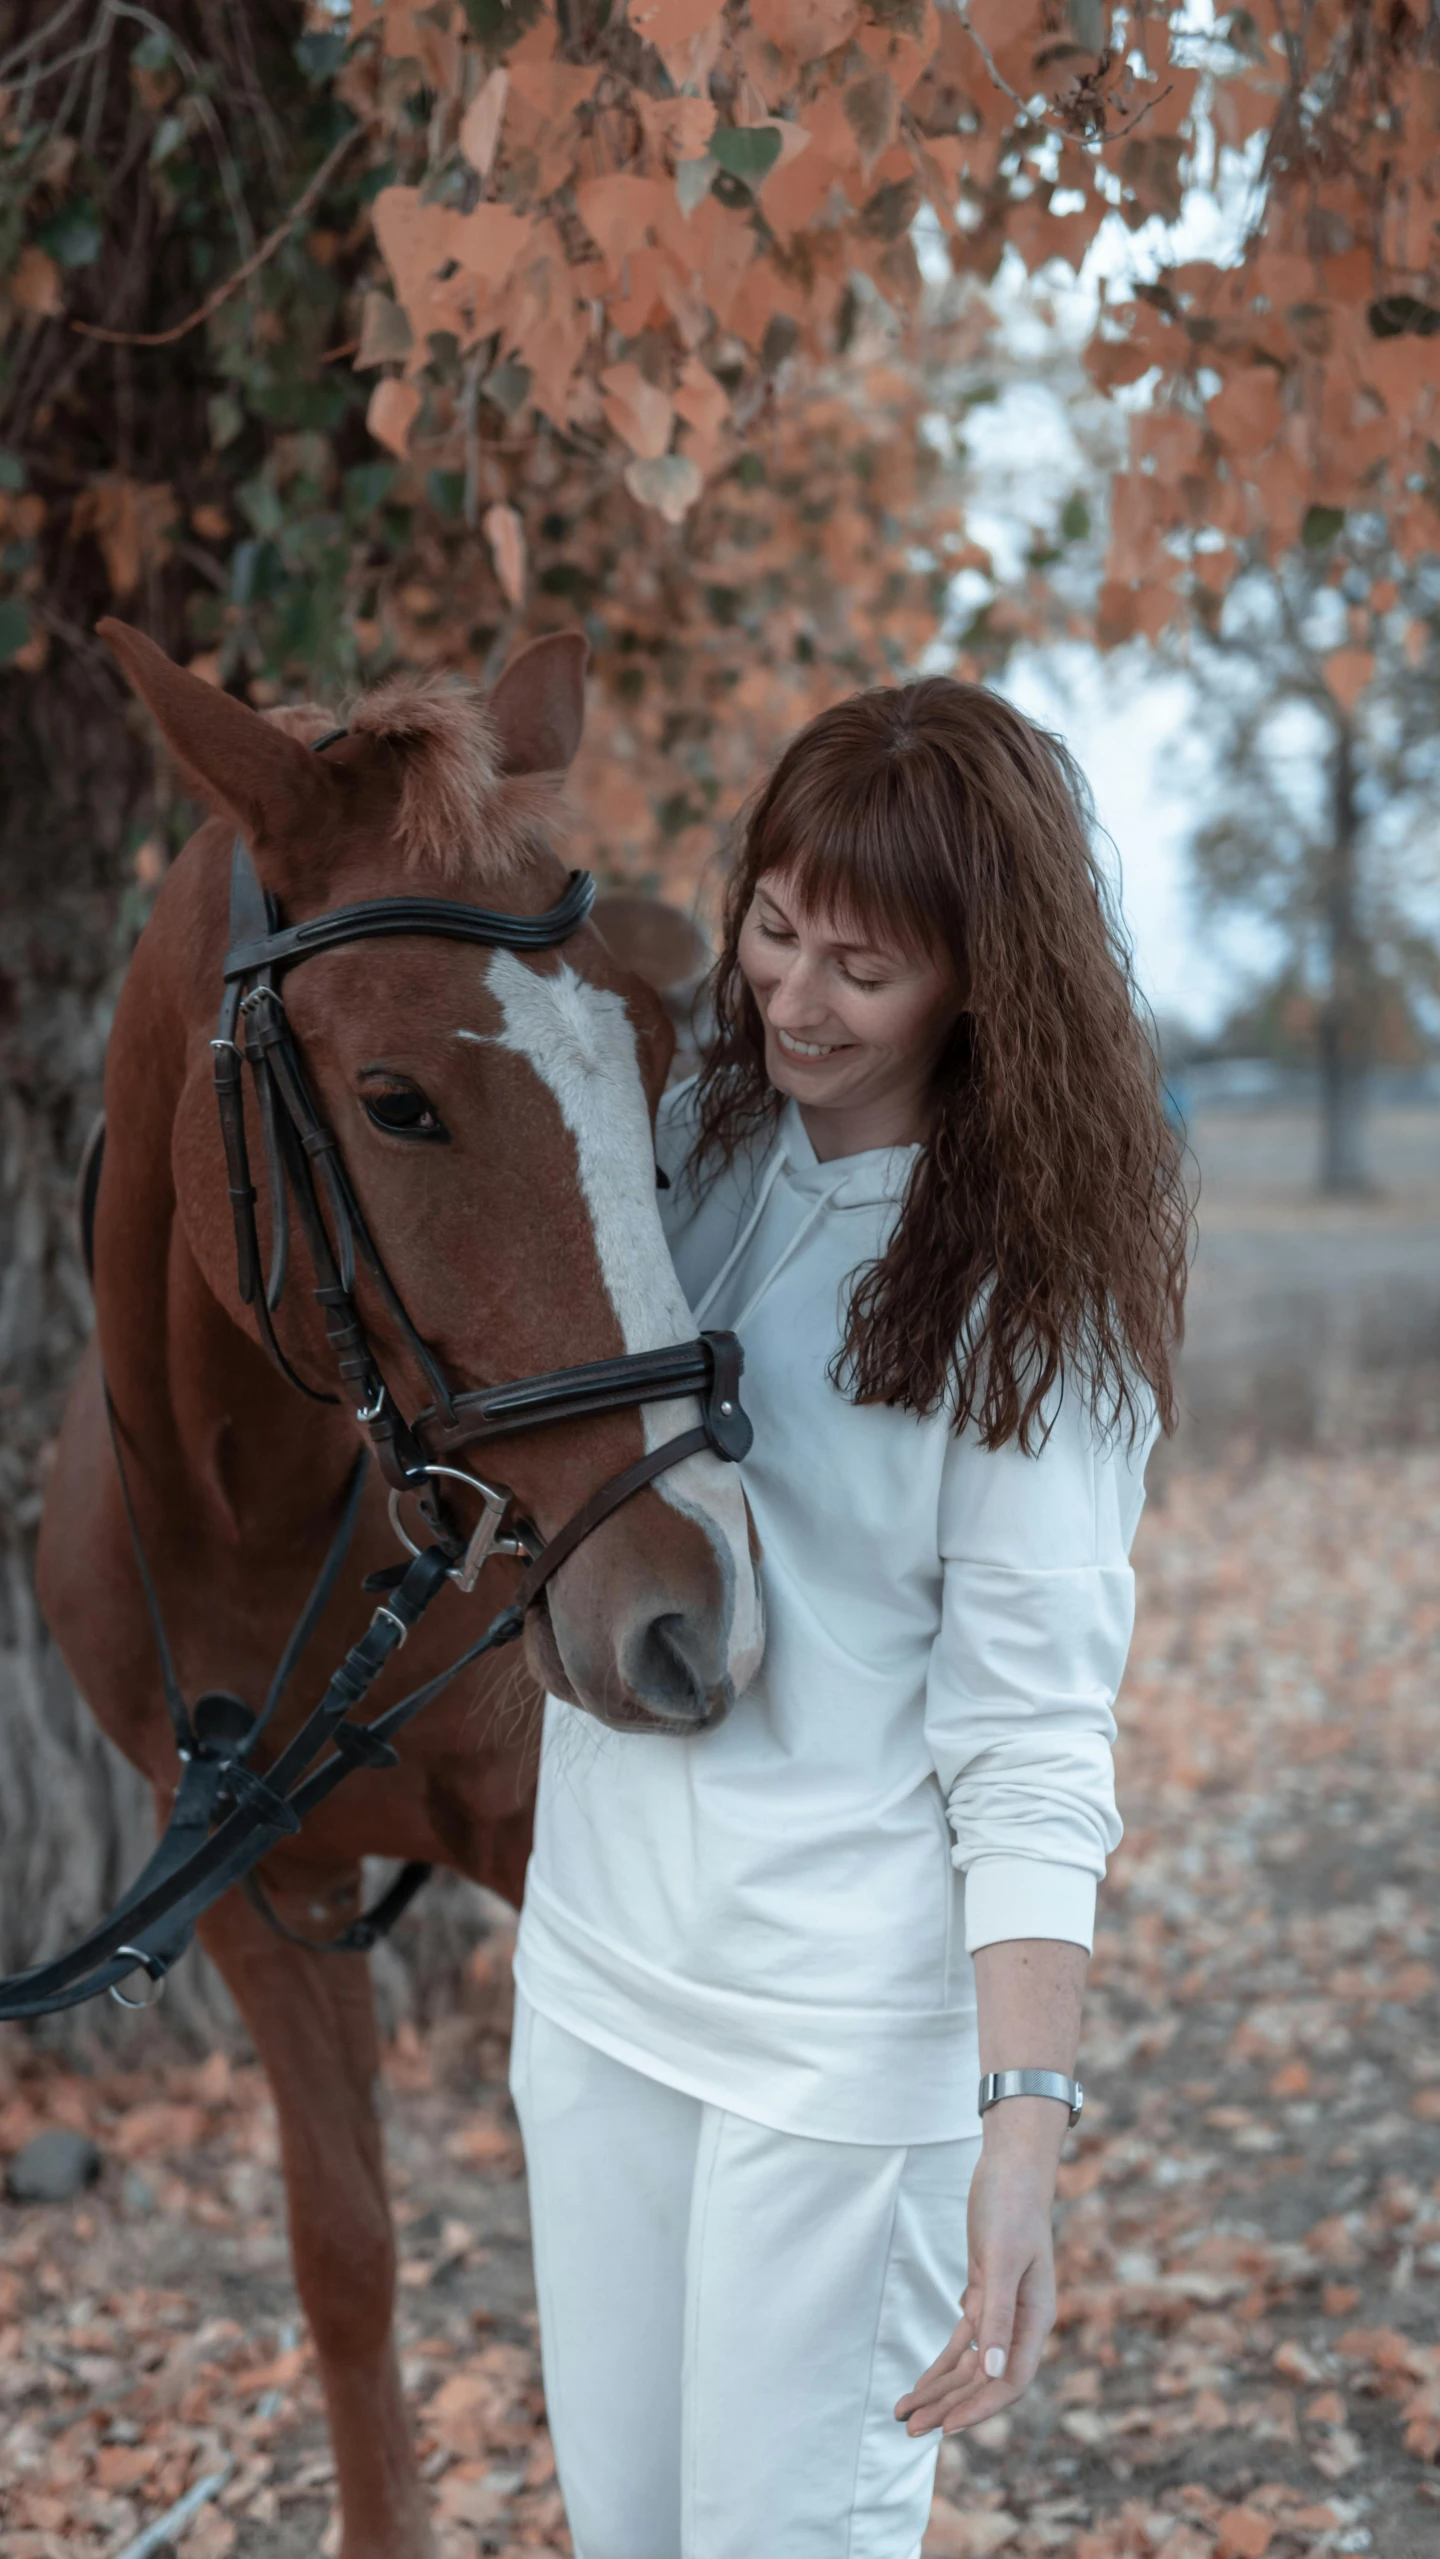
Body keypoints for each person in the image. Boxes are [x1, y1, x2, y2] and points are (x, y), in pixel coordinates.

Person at [509, 677, 1189, 2559]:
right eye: (776, 930)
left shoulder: (1031, 1317)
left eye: (863, 968)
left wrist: (1020, 2135)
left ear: (983, 980)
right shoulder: (692, 1145)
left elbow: (1037, 1741)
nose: (796, 999)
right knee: (628, 2530)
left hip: (832, 2043)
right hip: (597, 1977)